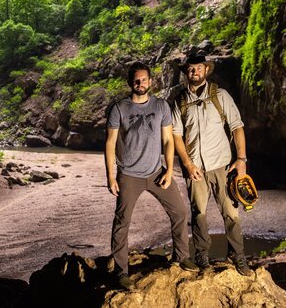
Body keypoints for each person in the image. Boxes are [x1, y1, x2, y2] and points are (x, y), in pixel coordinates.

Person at [105, 61, 198, 290]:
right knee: (122, 222)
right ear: (130, 82)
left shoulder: (161, 107)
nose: (141, 83)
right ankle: (121, 271)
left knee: (179, 211)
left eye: (144, 80)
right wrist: (111, 176)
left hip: (156, 172)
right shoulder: (119, 109)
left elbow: (168, 140)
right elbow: (110, 143)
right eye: (137, 80)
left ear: (150, 81)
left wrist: (168, 169)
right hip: (129, 175)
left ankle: (182, 257)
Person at [172, 54, 253, 276]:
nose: (194, 72)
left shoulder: (221, 96)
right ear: (186, 72)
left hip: (222, 166)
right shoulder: (179, 101)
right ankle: (202, 256)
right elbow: (176, 136)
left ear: (206, 70)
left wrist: (241, 160)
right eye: (190, 69)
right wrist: (187, 165)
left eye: (198, 68)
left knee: (231, 212)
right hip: (195, 168)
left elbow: (237, 127)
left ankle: (237, 256)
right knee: (198, 213)